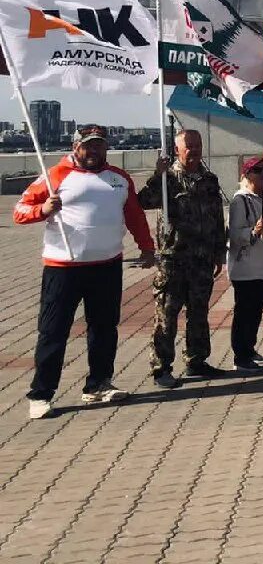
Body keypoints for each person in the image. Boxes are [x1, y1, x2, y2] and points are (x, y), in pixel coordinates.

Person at [16, 125, 154, 420]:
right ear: (75, 147)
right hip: (63, 268)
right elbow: (20, 210)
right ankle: (41, 394)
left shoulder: (119, 178)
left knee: (105, 328)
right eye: (87, 146)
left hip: (107, 265)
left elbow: (134, 215)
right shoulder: (55, 175)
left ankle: (99, 384)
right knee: (53, 331)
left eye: (99, 146)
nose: (93, 151)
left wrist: (147, 247)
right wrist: (42, 210)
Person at [138, 129, 228, 387]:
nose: (194, 150)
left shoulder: (209, 179)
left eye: (197, 145)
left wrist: (219, 251)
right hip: (173, 260)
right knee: (166, 316)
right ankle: (161, 368)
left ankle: (197, 361)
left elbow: (217, 217)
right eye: (188, 146)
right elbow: (143, 201)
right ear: (177, 149)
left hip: (202, 259)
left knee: (198, 314)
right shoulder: (168, 179)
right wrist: (158, 175)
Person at [226, 157, 263, 370]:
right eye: (258, 170)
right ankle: (241, 356)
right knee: (245, 311)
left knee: (257, 309)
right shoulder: (240, 201)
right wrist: (252, 232)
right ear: (247, 174)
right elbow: (234, 233)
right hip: (247, 267)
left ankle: (249, 348)